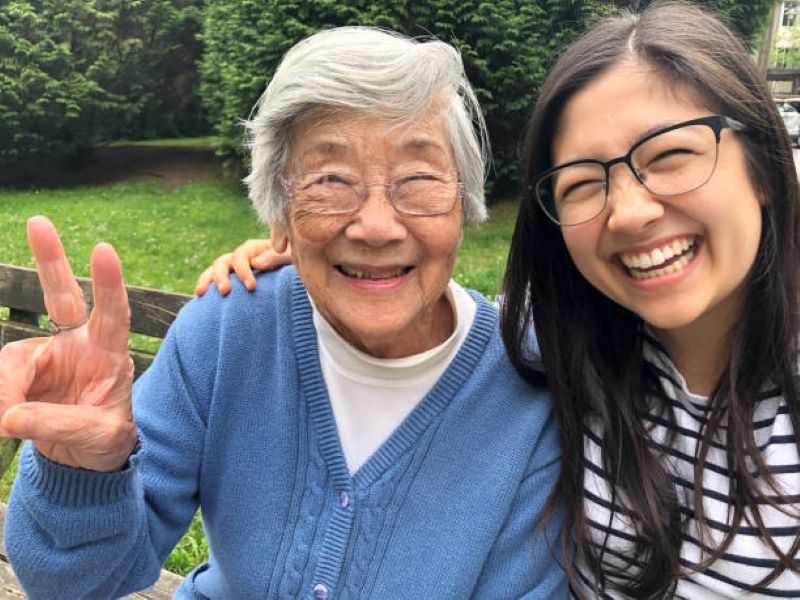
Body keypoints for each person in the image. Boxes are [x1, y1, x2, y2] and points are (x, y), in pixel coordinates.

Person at [198, 2, 800, 598]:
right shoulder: (550, 341)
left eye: (671, 156)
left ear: (765, 168)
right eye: (585, 182)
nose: (633, 212)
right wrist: (308, 245)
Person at [0, 27, 565, 599]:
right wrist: (80, 475)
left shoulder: (534, 375)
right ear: (278, 217)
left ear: (463, 204)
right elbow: (74, 583)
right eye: (329, 181)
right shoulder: (229, 329)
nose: (375, 226)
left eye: (418, 181)